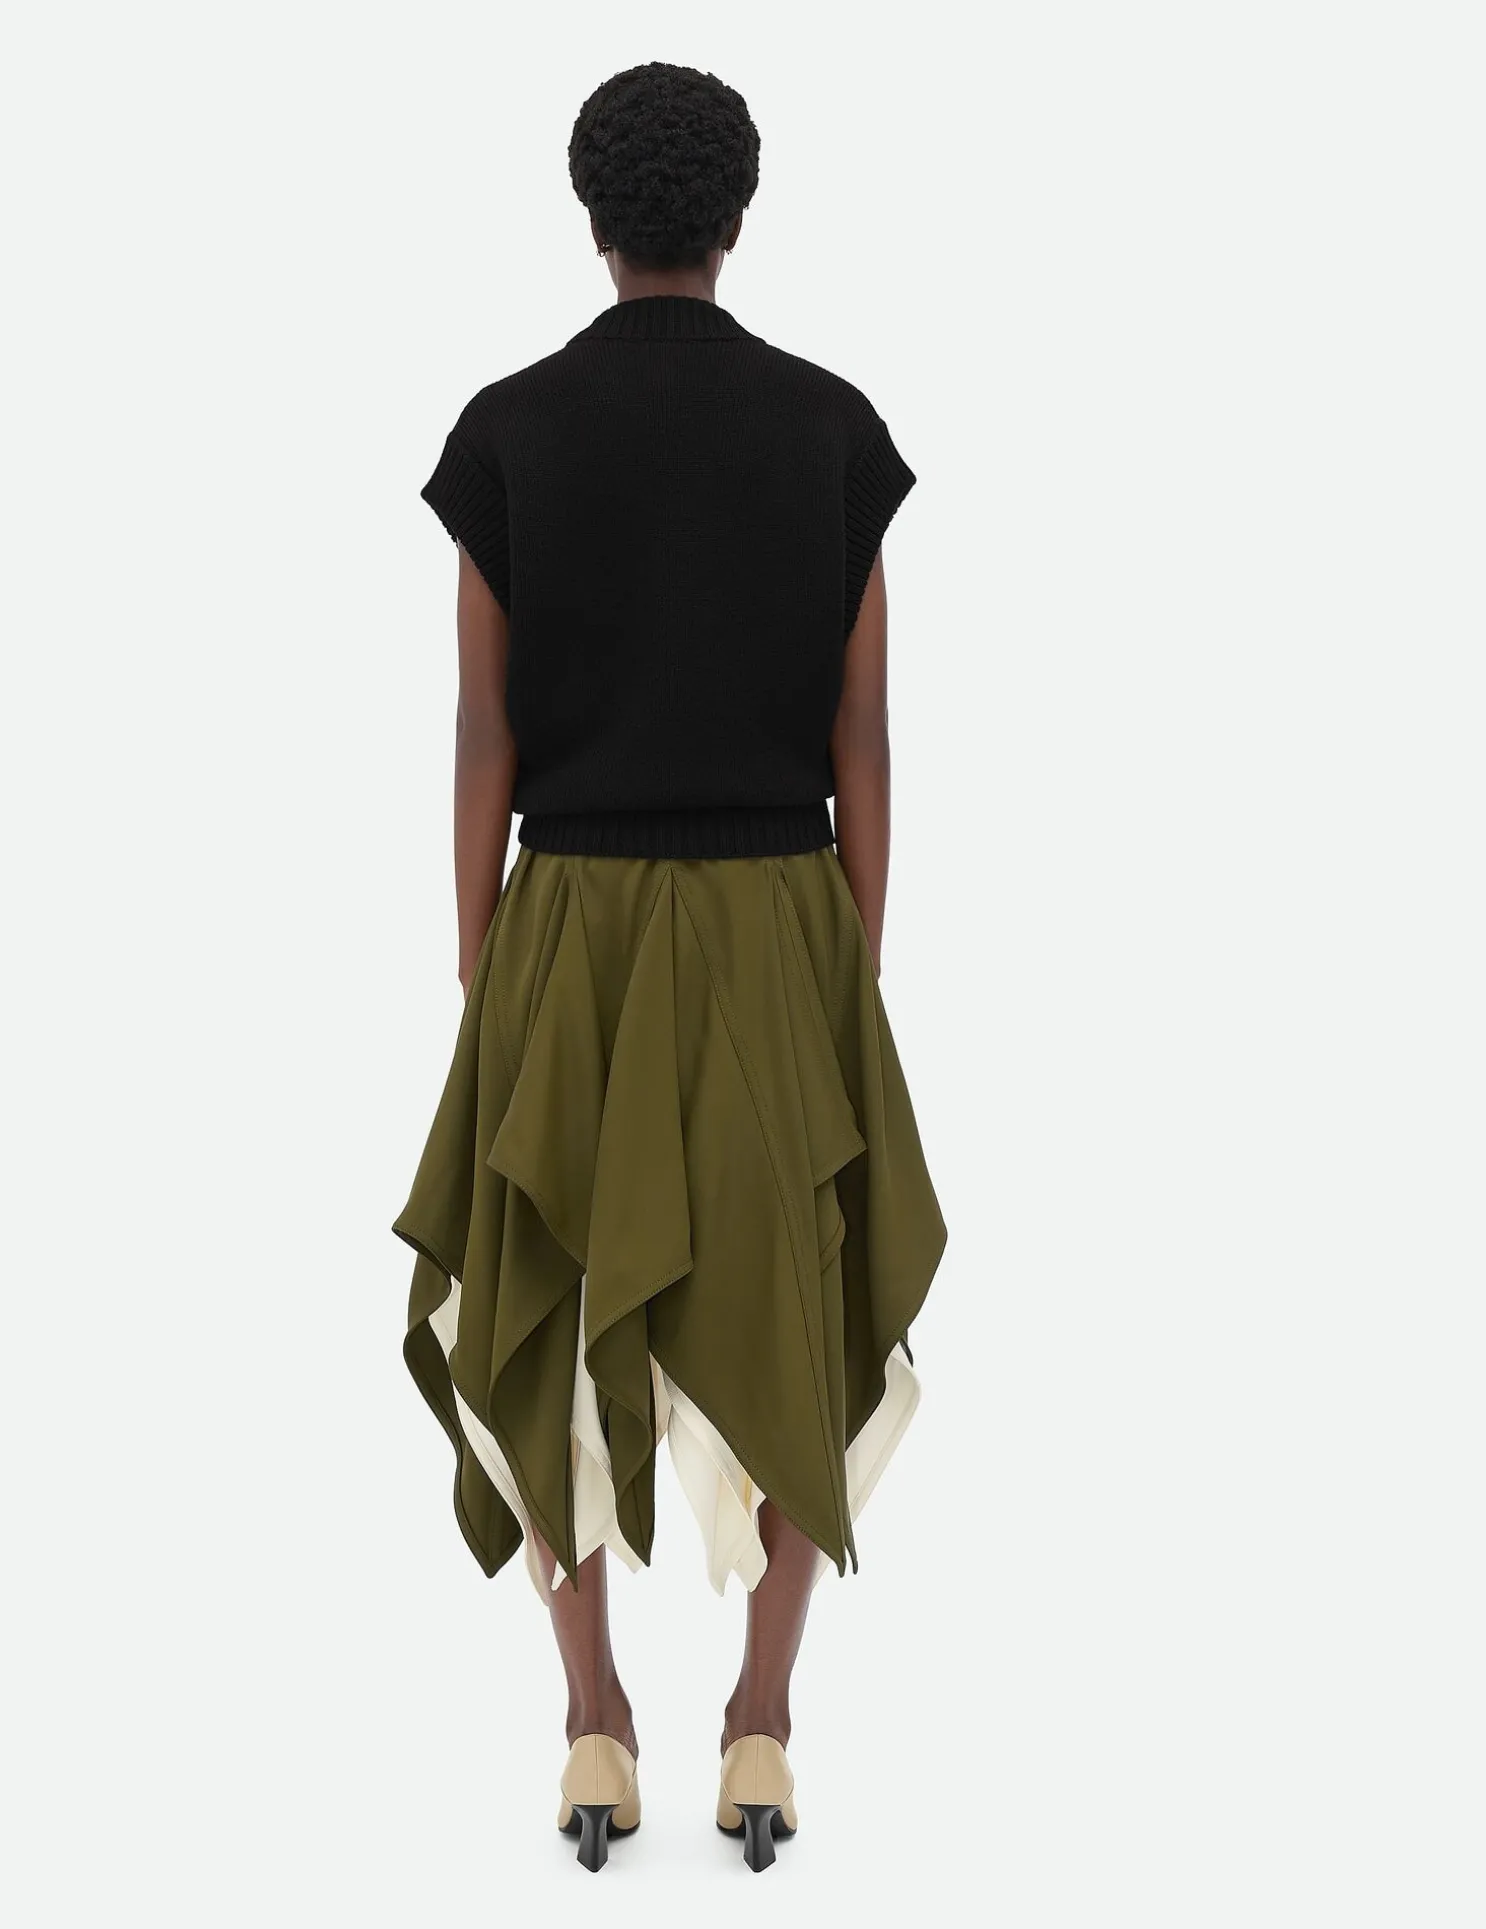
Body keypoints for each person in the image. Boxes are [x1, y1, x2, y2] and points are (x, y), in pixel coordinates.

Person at [393, 61, 947, 1875]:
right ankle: (761, 1722)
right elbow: (864, 735)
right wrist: (852, 958)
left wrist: (480, 963)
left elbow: (480, 732)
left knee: (550, 1306)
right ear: (737, 215)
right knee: (800, 1295)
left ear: (592, 217)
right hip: (780, 907)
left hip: (569, 918)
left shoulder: (508, 433)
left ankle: (592, 1725)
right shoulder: (830, 430)